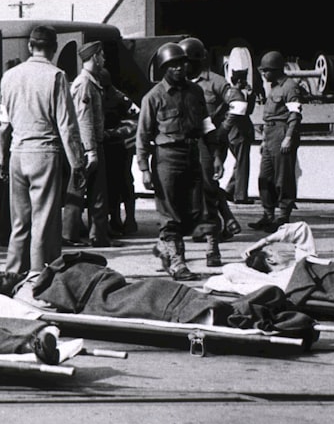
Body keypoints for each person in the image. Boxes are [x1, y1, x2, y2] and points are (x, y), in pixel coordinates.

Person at [0, 25, 86, 276]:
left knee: (19, 222)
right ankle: (38, 276)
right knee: (43, 221)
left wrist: (2, 159)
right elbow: (67, 126)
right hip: (44, 153)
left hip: (17, 153)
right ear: (54, 48)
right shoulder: (56, 76)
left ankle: (13, 274)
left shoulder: (9, 76)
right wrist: (78, 164)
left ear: (29, 46)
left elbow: (2, 125)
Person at [136, 42, 223, 280]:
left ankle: (165, 247)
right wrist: (144, 169)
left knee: (193, 212)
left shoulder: (195, 93)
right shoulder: (153, 97)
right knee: (170, 214)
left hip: (192, 155)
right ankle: (177, 263)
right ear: (164, 68)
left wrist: (215, 155)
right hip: (167, 159)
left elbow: (207, 125)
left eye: (181, 64)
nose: (178, 69)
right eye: (172, 65)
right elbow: (142, 135)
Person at [180, 37, 245, 263]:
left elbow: (239, 103)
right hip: (189, 143)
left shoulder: (214, 81)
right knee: (197, 186)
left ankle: (214, 232)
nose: (181, 66)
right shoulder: (182, 83)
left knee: (207, 184)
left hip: (210, 142)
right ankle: (224, 221)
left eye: (185, 61)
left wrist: (223, 130)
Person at [62, 41, 111, 247]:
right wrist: (91, 150)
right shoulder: (84, 84)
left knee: (96, 191)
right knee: (80, 189)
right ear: (94, 58)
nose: (104, 59)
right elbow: (84, 120)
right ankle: (70, 235)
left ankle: (98, 236)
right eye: (101, 55)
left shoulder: (91, 81)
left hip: (89, 144)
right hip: (85, 146)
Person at [249, 51, 303, 233]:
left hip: (282, 133)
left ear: (276, 70)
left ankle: (283, 216)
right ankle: (268, 215)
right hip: (270, 134)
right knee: (265, 177)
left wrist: (288, 137)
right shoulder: (273, 87)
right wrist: (265, 140)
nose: (264, 74)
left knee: (283, 178)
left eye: (266, 71)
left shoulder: (290, 87)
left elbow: (295, 115)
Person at [100, 68, 139, 236]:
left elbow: (135, 120)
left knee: (124, 182)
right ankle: (114, 218)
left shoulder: (119, 98)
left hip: (121, 146)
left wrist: (115, 133)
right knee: (108, 184)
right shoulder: (93, 94)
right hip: (104, 146)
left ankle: (130, 220)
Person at [224, 68, 257, 205]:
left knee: (239, 163)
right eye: (244, 79)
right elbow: (246, 113)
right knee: (243, 164)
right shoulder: (238, 96)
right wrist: (251, 95)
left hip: (231, 135)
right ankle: (240, 195)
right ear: (239, 81)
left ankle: (230, 190)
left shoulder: (229, 93)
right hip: (239, 134)